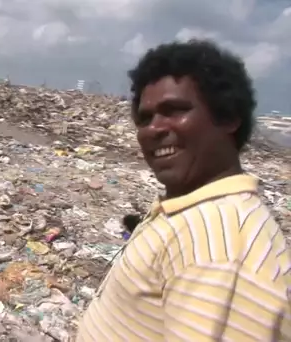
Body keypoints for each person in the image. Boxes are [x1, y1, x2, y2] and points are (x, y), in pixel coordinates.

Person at [77, 39, 291, 341]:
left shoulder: (223, 253)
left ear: (229, 116)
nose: (153, 129)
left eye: (174, 110)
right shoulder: (192, 209)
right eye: (145, 117)